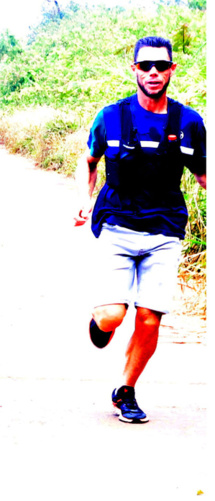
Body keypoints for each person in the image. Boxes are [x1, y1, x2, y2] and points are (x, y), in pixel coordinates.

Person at [74, 37, 206, 424]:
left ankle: (125, 390)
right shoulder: (111, 117)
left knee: (150, 318)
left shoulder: (189, 123)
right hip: (116, 225)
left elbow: (204, 175)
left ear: (171, 70)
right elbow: (89, 161)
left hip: (164, 230)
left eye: (161, 66)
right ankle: (101, 322)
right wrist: (84, 199)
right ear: (134, 69)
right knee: (113, 315)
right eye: (145, 65)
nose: (153, 72)